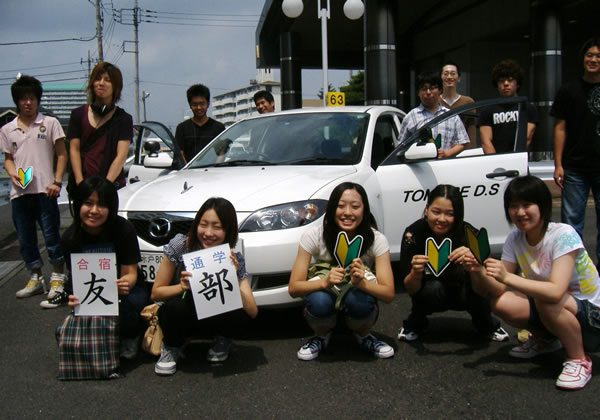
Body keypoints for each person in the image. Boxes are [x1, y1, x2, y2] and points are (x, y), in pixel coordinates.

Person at [466, 175, 600, 390]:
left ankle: (578, 359)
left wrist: (508, 277)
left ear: (543, 206)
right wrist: (476, 271)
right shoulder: (515, 239)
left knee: (546, 298)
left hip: (592, 318)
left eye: (527, 205)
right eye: (513, 206)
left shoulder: (563, 235)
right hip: (556, 309)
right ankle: (546, 339)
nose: (520, 212)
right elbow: (498, 288)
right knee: (500, 303)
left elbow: (556, 291)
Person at [288, 182, 395, 360]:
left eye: (355, 207)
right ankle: (321, 335)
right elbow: (293, 288)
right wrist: (324, 282)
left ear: (365, 210)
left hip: (355, 293)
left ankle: (363, 335)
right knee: (319, 300)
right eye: (340, 206)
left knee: (359, 300)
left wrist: (362, 283)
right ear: (331, 209)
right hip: (326, 294)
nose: (347, 213)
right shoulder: (313, 235)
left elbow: (389, 293)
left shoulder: (376, 239)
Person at [151, 197, 258, 375]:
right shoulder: (181, 245)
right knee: (173, 307)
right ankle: (171, 346)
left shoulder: (233, 257)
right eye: (203, 224)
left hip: (215, 319)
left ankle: (222, 339)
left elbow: (253, 311)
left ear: (228, 230)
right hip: (185, 314)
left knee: (241, 309)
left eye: (217, 227)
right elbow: (156, 293)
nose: (208, 233)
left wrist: (232, 277)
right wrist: (181, 287)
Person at [397, 184, 508, 342]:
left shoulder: (472, 235)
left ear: (458, 215)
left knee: (479, 286)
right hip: (432, 291)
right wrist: (415, 273)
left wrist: (476, 268)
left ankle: (486, 324)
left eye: (449, 214)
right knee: (429, 288)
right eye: (436, 212)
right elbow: (409, 288)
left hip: (465, 291)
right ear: (427, 209)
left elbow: (488, 290)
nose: (441, 219)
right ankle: (415, 323)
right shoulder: (413, 233)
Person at [60, 176, 148, 359]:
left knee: (127, 309)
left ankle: (131, 335)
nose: (94, 211)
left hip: (124, 291)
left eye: (101, 205)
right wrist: (73, 298)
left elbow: (130, 273)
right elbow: (74, 279)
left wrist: (121, 285)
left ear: (111, 208)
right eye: (88, 203)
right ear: (77, 205)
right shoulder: (70, 238)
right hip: (91, 293)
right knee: (80, 318)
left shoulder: (123, 229)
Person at [0, 75, 66, 301]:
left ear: (38, 100)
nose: (27, 102)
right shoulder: (8, 129)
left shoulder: (50, 123)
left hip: (45, 191)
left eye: (32, 98)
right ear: (17, 101)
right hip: (20, 193)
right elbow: (8, 158)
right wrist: (12, 173)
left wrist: (57, 182)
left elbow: (61, 154)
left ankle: (58, 278)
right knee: (26, 239)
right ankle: (36, 277)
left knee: (51, 236)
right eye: (23, 99)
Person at [551, 36, 600, 269]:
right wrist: (558, 163)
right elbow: (560, 128)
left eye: (598, 56)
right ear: (583, 59)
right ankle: (574, 270)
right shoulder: (568, 90)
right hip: (574, 166)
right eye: (590, 55)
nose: (593, 59)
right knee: (571, 224)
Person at [67, 61, 133, 190]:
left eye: (107, 80)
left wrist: (105, 186)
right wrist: (81, 184)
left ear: (116, 86)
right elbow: (74, 150)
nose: (101, 83)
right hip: (83, 186)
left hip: (111, 187)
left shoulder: (123, 119)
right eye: (97, 79)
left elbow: (121, 155)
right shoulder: (78, 114)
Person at [398, 72, 470, 159]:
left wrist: (446, 153)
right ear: (418, 92)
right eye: (424, 89)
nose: (428, 92)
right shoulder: (410, 117)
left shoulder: (451, 116)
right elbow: (400, 147)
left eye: (432, 88)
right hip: (418, 168)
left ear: (440, 90)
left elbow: (462, 142)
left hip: (445, 166)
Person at [478, 59, 538, 154]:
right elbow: (486, 142)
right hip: (495, 164)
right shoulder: (487, 111)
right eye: (501, 81)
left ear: (517, 83)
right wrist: (496, 162)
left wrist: (513, 160)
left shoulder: (527, 108)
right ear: (497, 85)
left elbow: (526, 138)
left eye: (510, 80)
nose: (506, 84)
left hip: (519, 161)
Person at [175, 84, 225, 164]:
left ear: (208, 104)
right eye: (195, 104)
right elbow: (180, 153)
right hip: (189, 173)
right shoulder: (182, 128)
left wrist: (215, 167)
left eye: (202, 104)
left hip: (213, 172)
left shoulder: (218, 127)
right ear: (190, 105)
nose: (198, 108)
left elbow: (221, 152)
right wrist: (187, 169)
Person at [440, 61, 476, 149]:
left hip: (462, 152)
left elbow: (471, 130)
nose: (449, 77)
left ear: (459, 78)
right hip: (439, 151)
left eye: (453, 74)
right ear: (441, 77)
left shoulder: (468, 102)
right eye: (446, 74)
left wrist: (471, 151)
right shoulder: (435, 101)